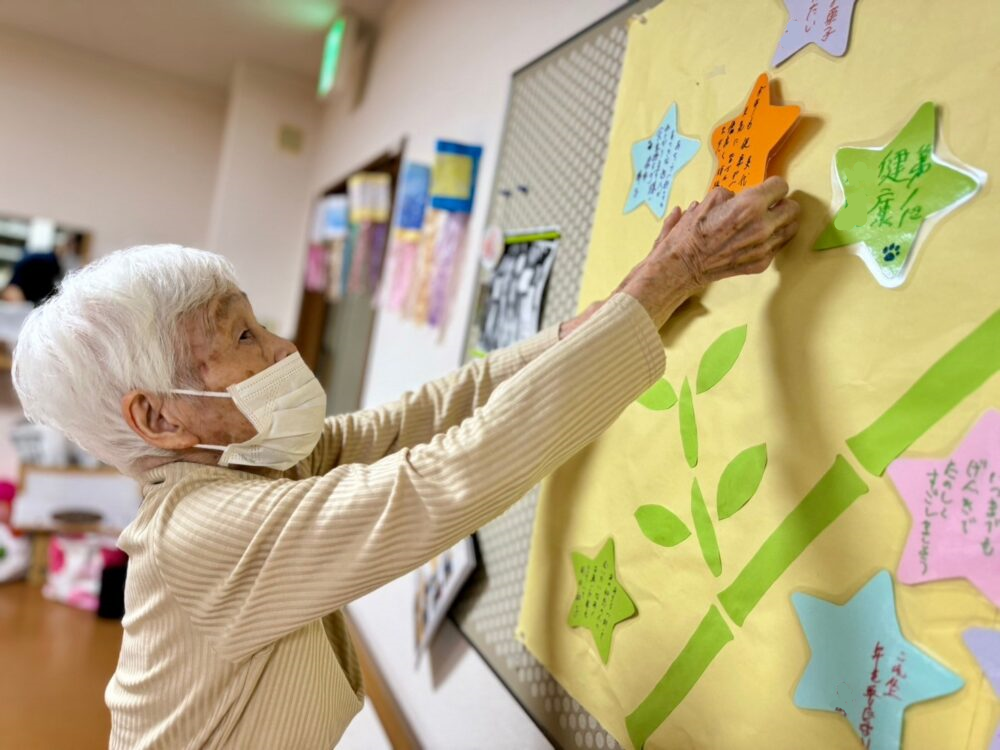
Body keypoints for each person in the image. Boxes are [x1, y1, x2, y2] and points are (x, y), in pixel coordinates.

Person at [12, 178, 799, 749]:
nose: (284, 347)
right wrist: (670, 280)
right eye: (243, 337)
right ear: (159, 417)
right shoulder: (203, 530)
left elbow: (414, 422)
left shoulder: (254, 466)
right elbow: (445, 478)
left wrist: (599, 323)